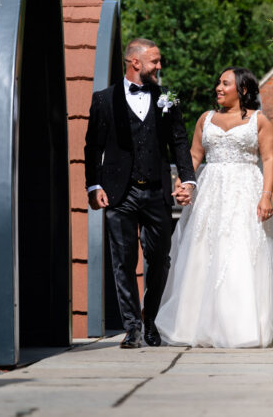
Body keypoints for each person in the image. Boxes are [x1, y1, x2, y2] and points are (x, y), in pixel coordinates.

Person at [155, 66, 273, 347]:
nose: (218, 87)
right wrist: (184, 183)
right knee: (203, 250)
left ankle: (242, 327)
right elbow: (193, 156)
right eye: (218, 82)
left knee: (240, 250)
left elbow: (269, 160)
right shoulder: (206, 119)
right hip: (211, 191)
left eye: (225, 83)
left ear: (242, 89)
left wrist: (266, 195)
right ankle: (194, 325)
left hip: (245, 191)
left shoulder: (260, 121)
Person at [83, 38, 197, 348]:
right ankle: (132, 327)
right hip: (119, 193)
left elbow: (179, 143)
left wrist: (188, 180)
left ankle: (151, 320)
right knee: (123, 259)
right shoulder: (103, 100)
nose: (160, 67)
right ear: (136, 63)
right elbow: (92, 146)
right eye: (155, 61)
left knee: (160, 260)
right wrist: (94, 186)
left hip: (156, 191)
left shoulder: (167, 99)